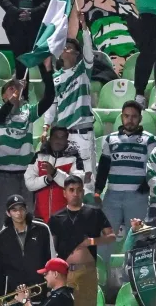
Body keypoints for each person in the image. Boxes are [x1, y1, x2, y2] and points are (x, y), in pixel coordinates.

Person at [0, 64, 54, 234]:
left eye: (16, 88)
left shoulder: (28, 112)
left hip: (26, 175)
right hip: (3, 175)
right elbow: (0, 117)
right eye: (10, 88)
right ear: (3, 95)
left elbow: (49, 98)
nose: (14, 90)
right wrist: (15, 96)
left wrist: (46, 70)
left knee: (28, 216)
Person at [94, 101, 156, 264]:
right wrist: (98, 190)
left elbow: (154, 167)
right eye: (127, 116)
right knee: (105, 237)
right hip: (112, 196)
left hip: (137, 196)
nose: (130, 120)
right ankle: (100, 279)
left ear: (140, 119)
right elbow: (104, 166)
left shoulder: (149, 140)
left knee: (137, 238)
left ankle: (131, 280)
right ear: (121, 117)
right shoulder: (110, 139)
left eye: (134, 117)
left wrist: (146, 183)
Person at [42, 14, 96, 197]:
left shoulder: (84, 69)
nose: (66, 49)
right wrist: (45, 127)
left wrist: (84, 28)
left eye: (70, 48)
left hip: (83, 133)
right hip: (63, 137)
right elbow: (52, 104)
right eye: (64, 47)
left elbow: (89, 52)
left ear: (77, 54)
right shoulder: (56, 78)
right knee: (67, 182)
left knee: (86, 182)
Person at [48, 175, 115, 305]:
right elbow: (51, 246)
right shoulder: (56, 218)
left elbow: (111, 236)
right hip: (65, 273)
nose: (75, 193)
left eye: (79, 190)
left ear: (83, 192)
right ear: (64, 193)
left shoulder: (95, 213)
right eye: (71, 190)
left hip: (87, 271)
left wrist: (92, 241)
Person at [0, 0, 57, 97]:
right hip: (16, 25)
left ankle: (52, 98)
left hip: (39, 26)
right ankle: (22, 99)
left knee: (43, 62)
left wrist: (33, 13)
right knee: (21, 64)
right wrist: (17, 12)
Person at [0, 195, 56, 304]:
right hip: (14, 297)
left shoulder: (42, 230)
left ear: (26, 209)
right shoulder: (2, 237)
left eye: (21, 209)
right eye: (14, 210)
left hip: (40, 294)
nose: (19, 213)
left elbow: (51, 260)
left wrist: (51, 288)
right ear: (8, 213)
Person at [25, 126, 84, 223]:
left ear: (67, 140)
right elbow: (29, 184)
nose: (59, 140)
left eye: (62, 137)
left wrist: (55, 173)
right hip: (40, 216)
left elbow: (76, 184)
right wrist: (47, 180)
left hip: (66, 217)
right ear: (50, 138)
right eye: (56, 136)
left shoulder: (75, 158)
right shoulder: (39, 156)